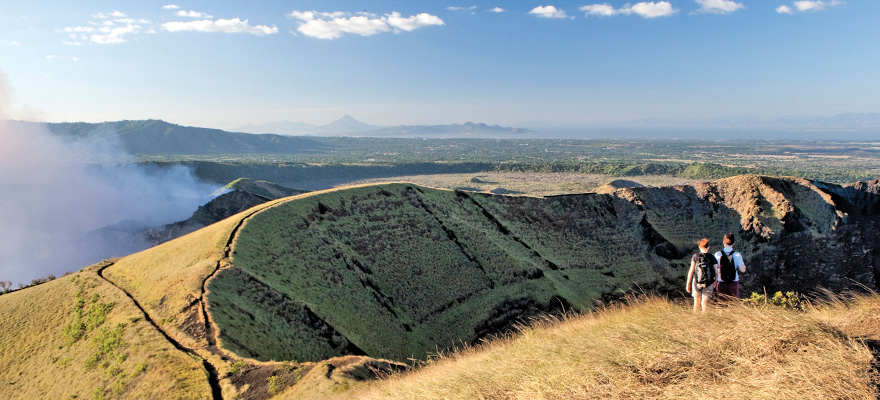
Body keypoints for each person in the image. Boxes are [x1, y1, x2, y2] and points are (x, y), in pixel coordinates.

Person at [686, 238, 719, 313]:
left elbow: (691, 271)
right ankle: (704, 321)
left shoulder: (695, 256)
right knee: (704, 304)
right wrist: (715, 282)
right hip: (709, 282)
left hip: (696, 282)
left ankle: (695, 320)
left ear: (699, 247)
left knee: (696, 304)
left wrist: (688, 283)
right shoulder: (712, 257)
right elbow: (716, 272)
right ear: (708, 247)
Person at [715, 233, 747, 299]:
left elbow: (714, 268)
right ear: (733, 243)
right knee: (733, 303)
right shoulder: (737, 254)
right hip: (733, 281)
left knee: (721, 304)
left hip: (721, 281)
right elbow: (743, 270)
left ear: (724, 242)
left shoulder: (717, 254)